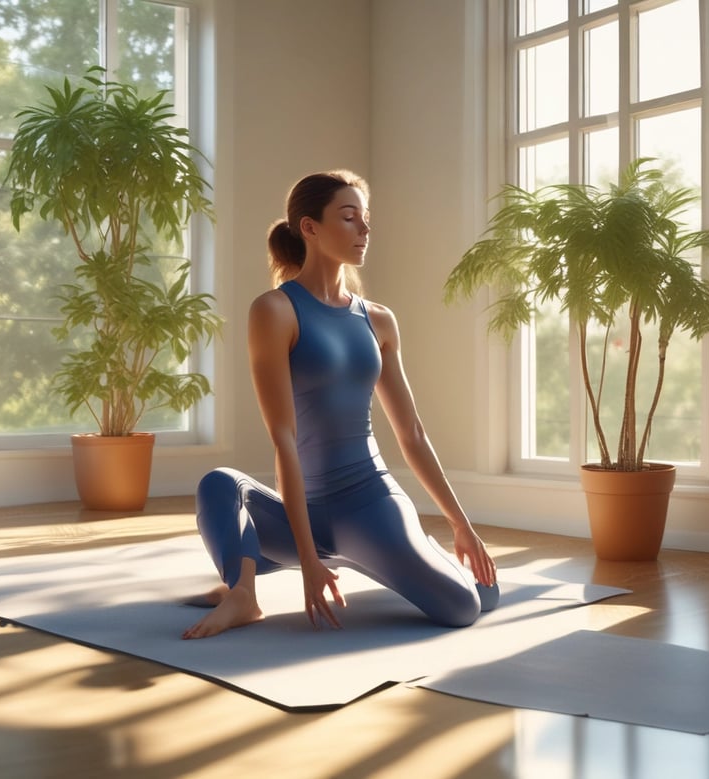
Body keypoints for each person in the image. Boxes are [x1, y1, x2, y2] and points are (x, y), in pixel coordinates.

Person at [183, 170, 498, 640]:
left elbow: (411, 432)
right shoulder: (274, 310)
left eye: (365, 218)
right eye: (349, 217)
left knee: (465, 605)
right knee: (219, 485)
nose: (364, 229)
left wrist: (461, 524)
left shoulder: (378, 320)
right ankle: (242, 593)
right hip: (304, 511)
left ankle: (406, 551)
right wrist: (308, 558)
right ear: (309, 228)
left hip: (370, 505)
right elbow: (283, 437)